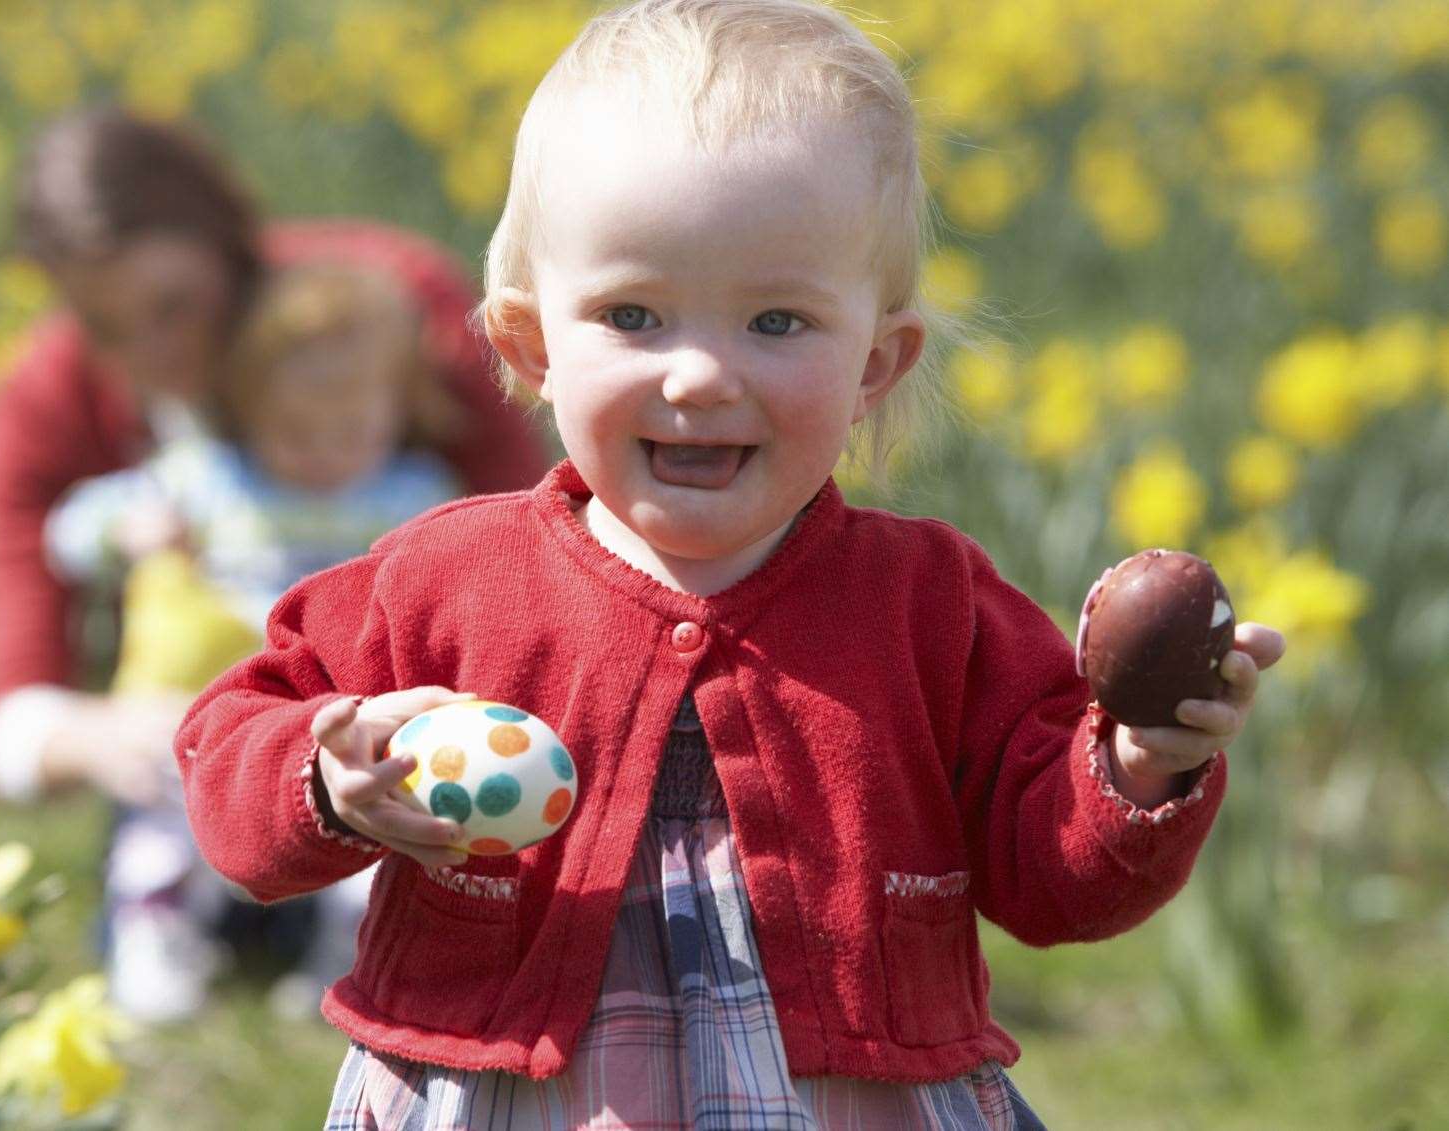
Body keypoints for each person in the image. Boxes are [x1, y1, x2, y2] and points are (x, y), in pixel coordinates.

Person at [176, 1, 1289, 1127]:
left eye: (776, 322)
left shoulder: (931, 606)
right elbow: (229, 756)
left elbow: (1059, 882)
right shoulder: (444, 577)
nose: (700, 376)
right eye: (634, 313)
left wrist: (1139, 767)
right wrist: (330, 779)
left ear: (876, 364)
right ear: (532, 348)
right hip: (509, 1090)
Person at [0, 107, 549, 813]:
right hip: (190, 765)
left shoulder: (386, 314)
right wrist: (95, 732)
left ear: (228, 243)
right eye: (104, 326)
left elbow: (531, 557)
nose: (151, 354)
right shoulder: (46, 397)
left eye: (173, 305)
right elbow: (13, 691)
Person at [44, 263, 462, 1021]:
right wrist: (129, 531)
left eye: (353, 431)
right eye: (297, 433)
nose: (326, 455)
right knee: (164, 809)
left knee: (377, 821)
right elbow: (68, 532)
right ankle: (157, 930)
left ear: (396, 410)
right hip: (214, 702)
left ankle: (356, 951)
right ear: (247, 411)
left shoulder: (412, 492)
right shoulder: (211, 481)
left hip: (342, 707)